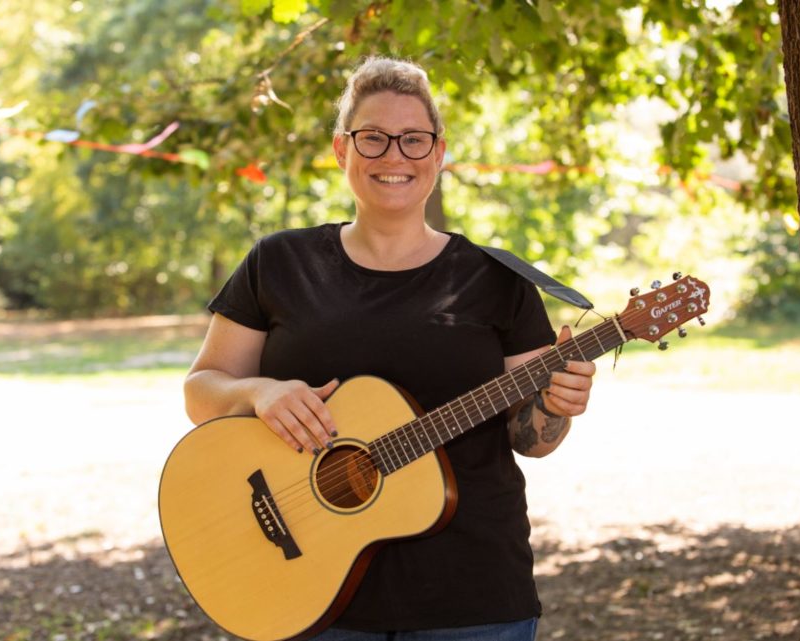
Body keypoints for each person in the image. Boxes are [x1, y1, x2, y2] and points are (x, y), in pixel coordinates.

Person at [183, 56, 597, 641]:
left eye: (413, 140)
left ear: (438, 152)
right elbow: (202, 391)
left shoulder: (498, 279)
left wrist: (556, 407)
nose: (394, 157)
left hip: (472, 595)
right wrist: (259, 392)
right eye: (372, 139)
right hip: (302, 590)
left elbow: (530, 440)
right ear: (341, 149)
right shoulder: (278, 263)